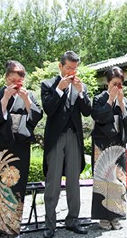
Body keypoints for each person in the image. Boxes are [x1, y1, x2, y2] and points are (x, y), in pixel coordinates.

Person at [0, 61, 43, 236]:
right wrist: (5, 98)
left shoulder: (29, 95)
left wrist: (27, 100)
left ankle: (11, 226)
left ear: (24, 80)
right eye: (12, 79)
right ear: (7, 78)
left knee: (17, 185)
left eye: (19, 80)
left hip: (21, 144)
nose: (16, 83)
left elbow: (37, 116)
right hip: (1, 144)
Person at [41, 51, 92, 237]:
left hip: (74, 137)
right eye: (69, 68)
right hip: (56, 137)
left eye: (75, 68)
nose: (72, 71)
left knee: (74, 181)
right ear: (60, 66)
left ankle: (73, 220)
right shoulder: (48, 84)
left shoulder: (81, 85)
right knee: (52, 182)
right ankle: (50, 225)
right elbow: (48, 109)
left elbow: (87, 111)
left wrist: (81, 93)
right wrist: (59, 89)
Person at [91, 66, 127, 230]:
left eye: (120, 84)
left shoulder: (122, 99)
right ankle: (103, 217)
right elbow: (99, 116)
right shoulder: (99, 98)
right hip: (102, 144)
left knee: (118, 181)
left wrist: (122, 104)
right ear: (107, 83)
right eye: (114, 83)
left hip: (118, 144)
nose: (117, 87)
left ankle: (116, 216)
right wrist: (110, 100)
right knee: (103, 180)